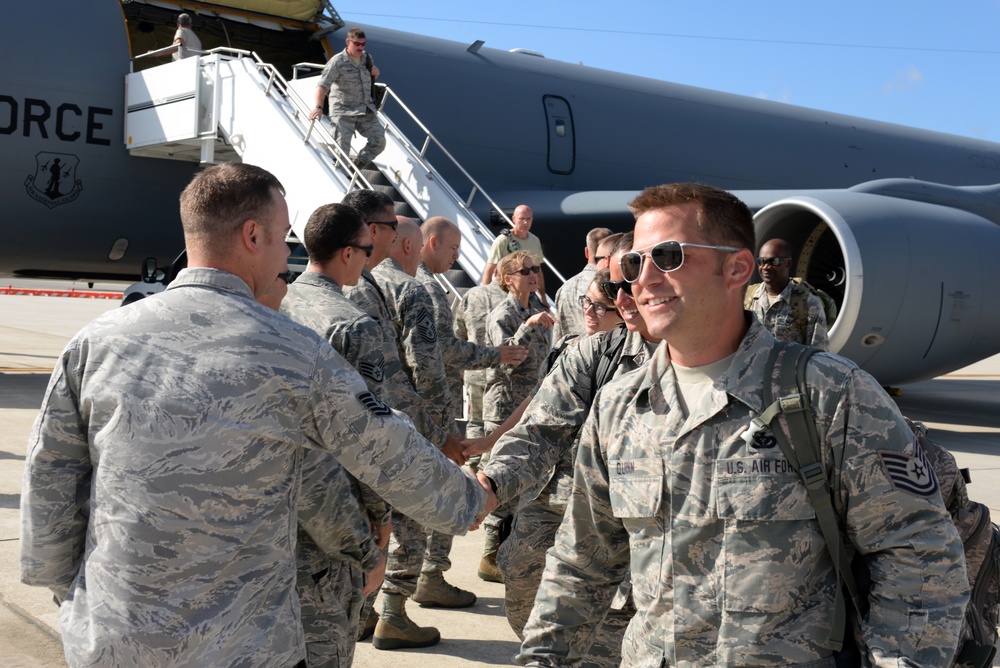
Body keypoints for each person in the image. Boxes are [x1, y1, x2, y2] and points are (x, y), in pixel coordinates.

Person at [19, 162, 493, 668]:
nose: (286, 253)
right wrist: (472, 500)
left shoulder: (95, 342)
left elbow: (50, 487)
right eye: (281, 235)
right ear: (252, 235)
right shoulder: (294, 354)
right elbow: (392, 455)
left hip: (112, 641)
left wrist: (81, 605)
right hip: (241, 646)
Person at [519, 183, 969, 667]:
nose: (642, 280)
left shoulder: (827, 393)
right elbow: (580, 564)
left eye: (668, 257)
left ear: (736, 268)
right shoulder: (619, 407)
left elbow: (920, 557)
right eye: (634, 263)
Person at [478, 242, 655, 668]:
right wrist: (490, 483)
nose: (620, 298)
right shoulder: (593, 352)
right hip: (556, 497)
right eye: (612, 289)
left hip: (628, 522)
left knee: (608, 632)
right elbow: (538, 428)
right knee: (524, 599)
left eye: (624, 289)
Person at [340, 190, 471, 649]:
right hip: (395, 425)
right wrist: (441, 434)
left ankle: (361, 612)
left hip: (342, 433)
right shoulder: (406, 288)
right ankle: (393, 613)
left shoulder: (342, 283)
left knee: (362, 523)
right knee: (410, 519)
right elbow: (424, 367)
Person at [279, 203, 390, 667]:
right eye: (366, 251)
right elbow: (369, 438)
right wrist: (380, 520)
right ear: (347, 253)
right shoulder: (354, 325)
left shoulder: (273, 302)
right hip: (333, 523)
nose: (368, 261)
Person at [412, 216, 528, 610]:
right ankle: (428, 577)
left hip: (418, 407)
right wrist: (495, 355)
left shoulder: (400, 286)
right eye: (451, 248)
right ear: (430, 243)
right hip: (432, 408)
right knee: (439, 491)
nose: (457, 256)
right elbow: (445, 349)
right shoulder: (425, 291)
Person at [480, 251, 555, 582]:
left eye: (536, 268)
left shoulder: (538, 309)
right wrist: (526, 327)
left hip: (530, 405)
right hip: (504, 406)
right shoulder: (503, 314)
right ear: (507, 278)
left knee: (524, 479)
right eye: (525, 271)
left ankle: (506, 553)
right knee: (500, 479)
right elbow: (506, 358)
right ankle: (489, 556)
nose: (533, 274)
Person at [309, 28, 386, 169]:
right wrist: (318, 107)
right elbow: (322, 86)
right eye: (357, 44)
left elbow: (367, 82)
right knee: (342, 152)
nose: (360, 47)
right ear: (348, 42)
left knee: (379, 141)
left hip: (365, 109)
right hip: (343, 111)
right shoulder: (337, 61)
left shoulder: (367, 58)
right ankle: (341, 177)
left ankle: (356, 165)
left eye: (363, 44)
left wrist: (375, 75)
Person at [745, 237, 830, 350]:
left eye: (773, 261)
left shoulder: (808, 304)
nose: (766, 267)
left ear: (788, 263)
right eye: (761, 261)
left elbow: (819, 353)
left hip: (787, 367)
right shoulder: (747, 299)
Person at [481, 205, 548, 306]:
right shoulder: (503, 240)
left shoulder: (535, 241)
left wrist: (543, 298)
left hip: (528, 294)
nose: (525, 222)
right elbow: (489, 271)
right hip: (506, 294)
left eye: (528, 219)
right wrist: (487, 299)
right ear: (514, 219)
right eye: (522, 219)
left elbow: (538, 272)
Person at [552, 226, 611, 340]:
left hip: (571, 355)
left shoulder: (564, 288)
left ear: (586, 252)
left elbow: (558, 335)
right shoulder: (611, 285)